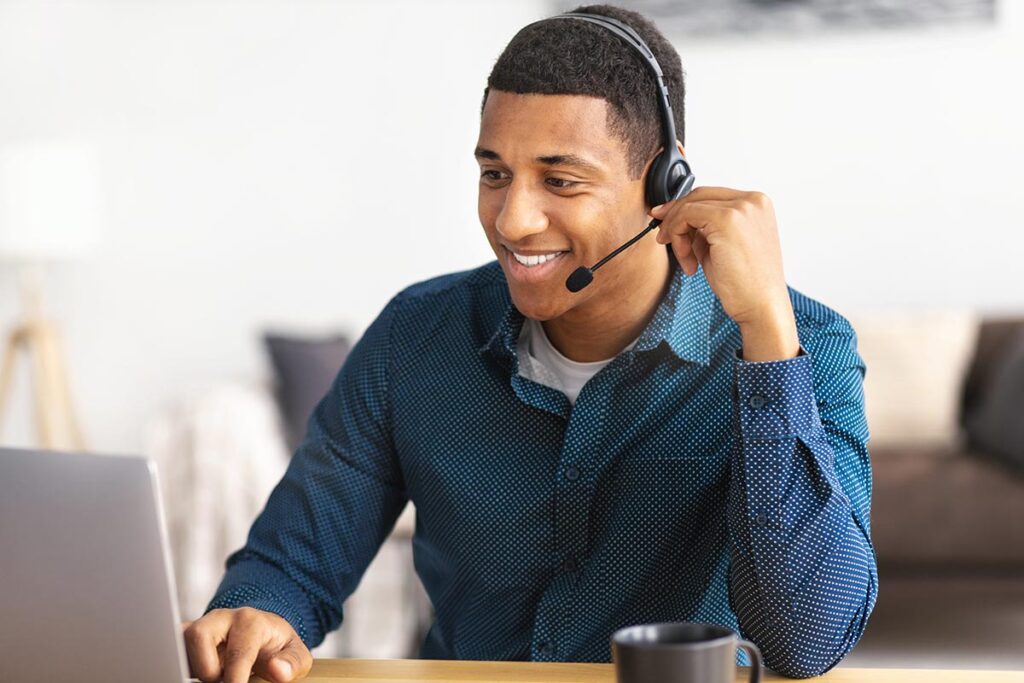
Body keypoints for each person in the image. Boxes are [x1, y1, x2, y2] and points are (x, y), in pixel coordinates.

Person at [182, 5, 878, 682]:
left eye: (560, 179)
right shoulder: (414, 336)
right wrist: (259, 614)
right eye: (494, 174)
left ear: (667, 182)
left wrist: (765, 336)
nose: (512, 220)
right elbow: (292, 562)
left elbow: (808, 636)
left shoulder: (799, 343)